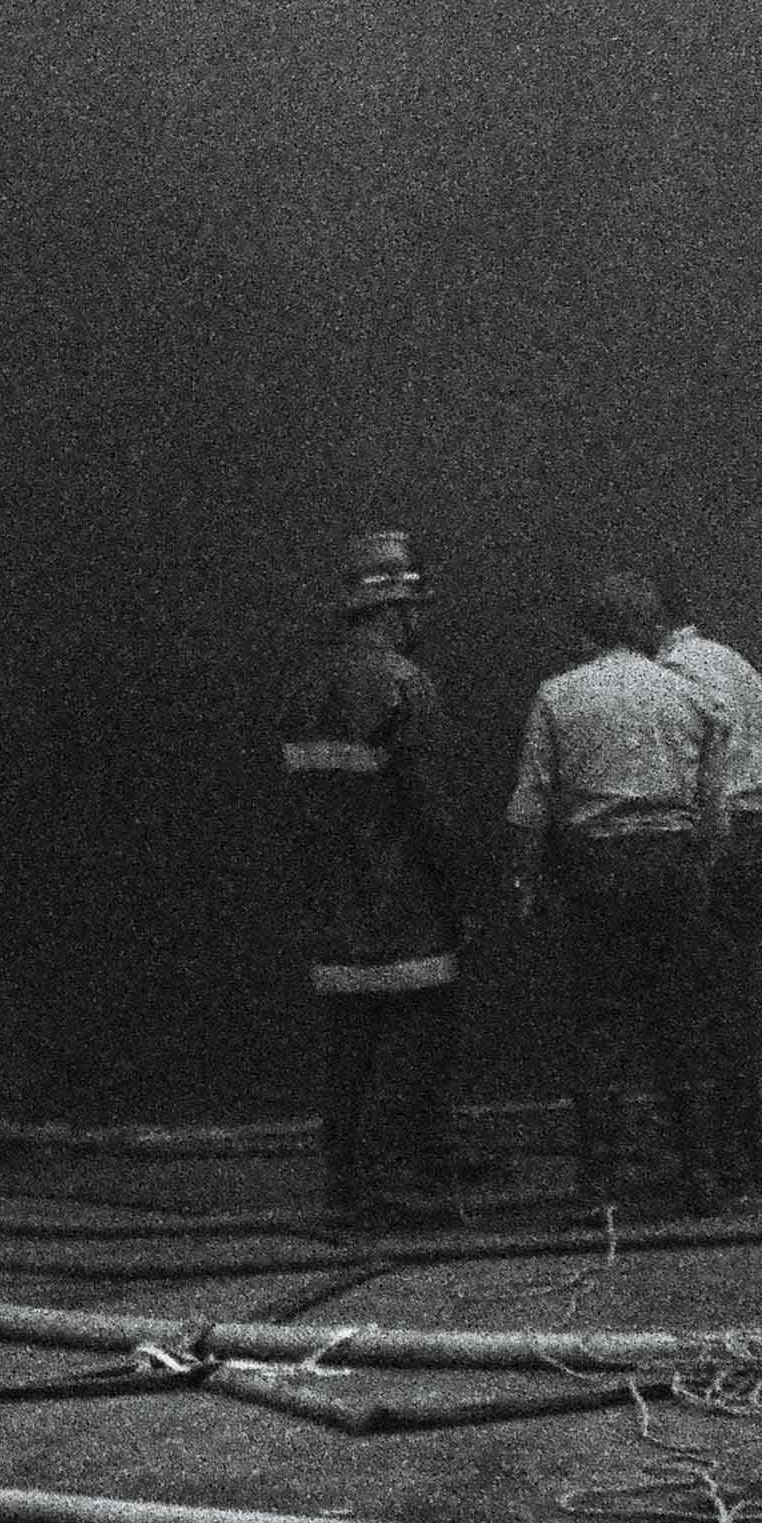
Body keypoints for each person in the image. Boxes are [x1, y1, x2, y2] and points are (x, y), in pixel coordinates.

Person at [504, 569, 734, 1214]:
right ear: (646, 627)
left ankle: (601, 1181)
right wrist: (698, 869)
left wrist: (524, 882)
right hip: (673, 865)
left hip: (595, 871)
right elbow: (713, 812)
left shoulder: (558, 696)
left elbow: (532, 803)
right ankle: (699, 1176)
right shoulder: (692, 699)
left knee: (599, 1024)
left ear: (587, 630)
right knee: (680, 1019)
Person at [280, 526, 477, 1233]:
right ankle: (392, 1187)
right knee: (412, 1043)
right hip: (403, 899)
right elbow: (432, 809)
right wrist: (461, 893)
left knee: (349, 1046)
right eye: (414, 609)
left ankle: (346, 1178)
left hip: (331, 897)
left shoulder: (308, 685)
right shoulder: (404, 683)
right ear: (395, 612)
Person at [656, 574, 762, 1194]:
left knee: (690, 1000)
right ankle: (741, 1154)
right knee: (733, 998)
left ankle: (704, 1159)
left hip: (709, 842)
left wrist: (709, 834)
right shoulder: (730, 659)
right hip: (750, 838)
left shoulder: (673, 673)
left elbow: (707, 760)